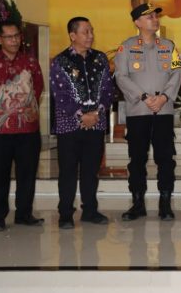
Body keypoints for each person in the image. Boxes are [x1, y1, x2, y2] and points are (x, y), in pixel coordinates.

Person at [0, 20, 44, 232]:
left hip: (28, 130)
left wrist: (23, 110)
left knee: (27, 174)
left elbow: (37, 88)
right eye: (9, 37)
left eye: (17, 36)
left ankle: (24, 214)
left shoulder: (30, 62)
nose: (14, 40)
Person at [114, 3, 181, 221]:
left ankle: (165, 203)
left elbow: (177, 72)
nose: (154, 19)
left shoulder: (169, 47)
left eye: (155, 16)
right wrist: (144, 97)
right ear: (137, 22)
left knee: (165, 158)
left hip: (163, 111)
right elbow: (121, 76)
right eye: (149, 17)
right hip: (138, 112)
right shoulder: (126, 47)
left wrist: (163, 97)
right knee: (137, 159)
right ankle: (137, 204)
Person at [50, 17, 113, 229]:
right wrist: (81, 115)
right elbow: (60, 95)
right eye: (86, 32)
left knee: (90, 170)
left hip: (96, 124)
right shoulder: (60, 61)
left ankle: (90, 211)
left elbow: (107, 90)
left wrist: (96, 113)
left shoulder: (100, 59)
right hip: (69, 126)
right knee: (67, 171)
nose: (90, 36)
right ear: (72, 35)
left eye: (91, 31)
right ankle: (65, 214)